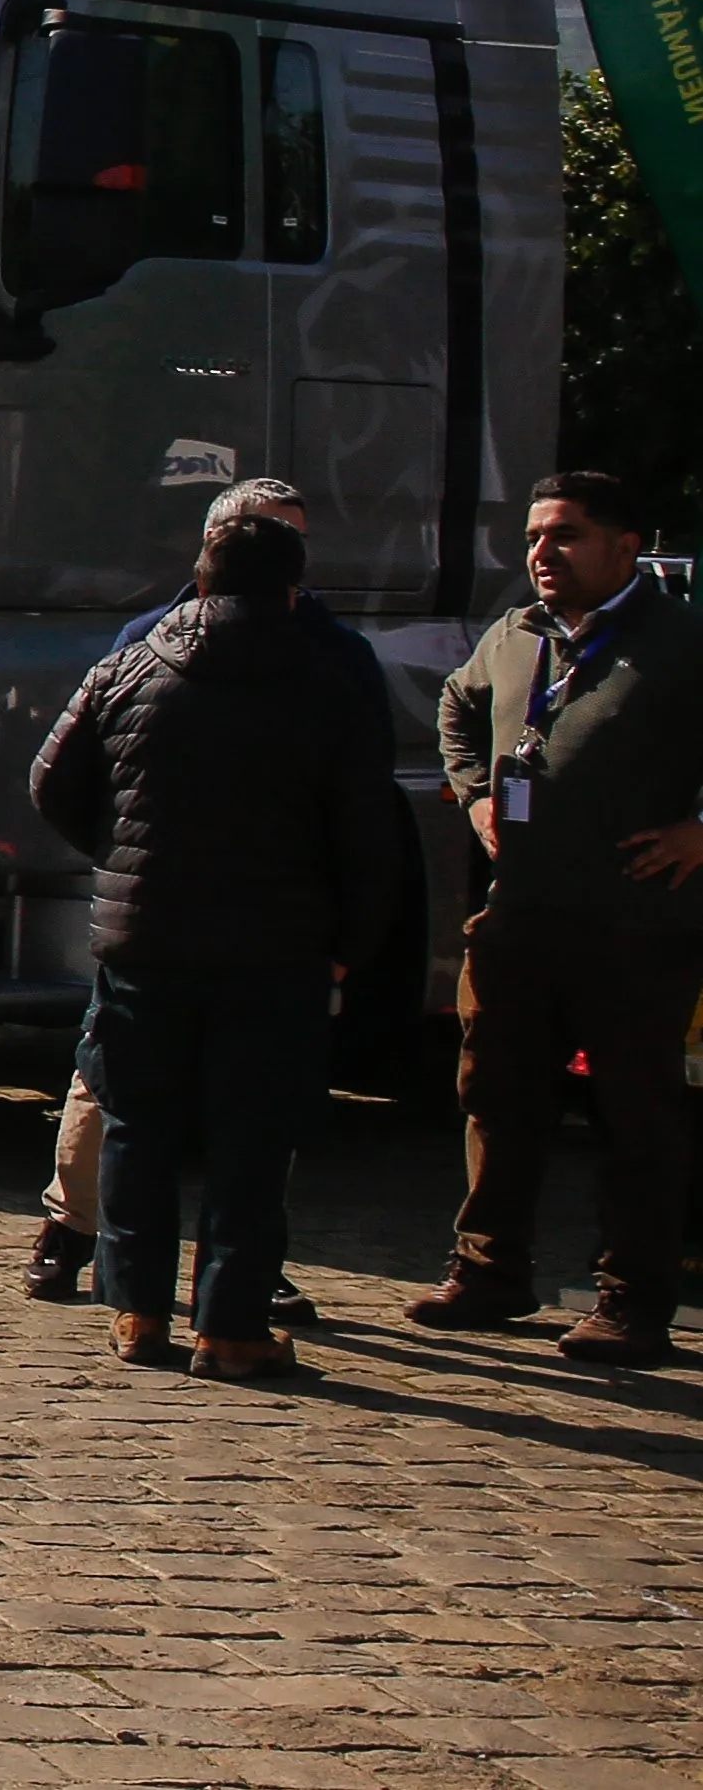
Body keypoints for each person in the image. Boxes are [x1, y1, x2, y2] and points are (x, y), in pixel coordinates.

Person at [24, 509, 420, 1378]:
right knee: (252, 1139)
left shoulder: (131, 659)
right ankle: (231, 1327)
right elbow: (366, 830)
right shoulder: (331, 678)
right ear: (291, 587)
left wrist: (121, 853)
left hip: (145, 937)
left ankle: (135, 1313)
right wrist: (352, 940)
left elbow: (51, 780)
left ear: (199, 577)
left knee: (136, 1128)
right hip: (276, 948)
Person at [412, 470, 703, 1364]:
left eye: (565, 535)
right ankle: (489, 1271)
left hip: (635, 924)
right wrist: (472, 798)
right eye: (536, 536)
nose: (542, 553)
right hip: (520, 917)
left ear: (624, 546)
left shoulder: (679, 637)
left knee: (635, 1113)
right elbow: (456, 708)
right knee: (495, 1096)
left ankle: (632, 1296)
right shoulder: (515, 632)